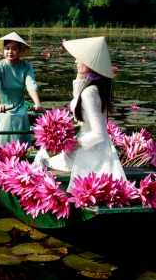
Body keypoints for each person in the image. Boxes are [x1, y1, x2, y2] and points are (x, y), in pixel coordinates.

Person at [33, 36, 126, 190]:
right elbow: (76, 96)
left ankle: (39, 192)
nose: (76, 61)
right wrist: (81, 73)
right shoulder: (99, 87)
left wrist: (71, 143)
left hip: (87, 152)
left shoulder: (89, 93)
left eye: (80, 59)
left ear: (90, 63)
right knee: (44, 152)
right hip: (96, 148)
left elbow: (99, 133)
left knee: (41, 156)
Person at [0, 32, 43, 146]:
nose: (10, 52)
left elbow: (31, 85)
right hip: (0, 103)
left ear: (20, 51)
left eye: (14, 49)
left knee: (22, 116)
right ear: (3, 50)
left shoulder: (26, 66)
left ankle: (24, 151)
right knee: (8, 117)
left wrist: (37, 104)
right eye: (7, 48)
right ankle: (3, 151)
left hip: (19, 104)